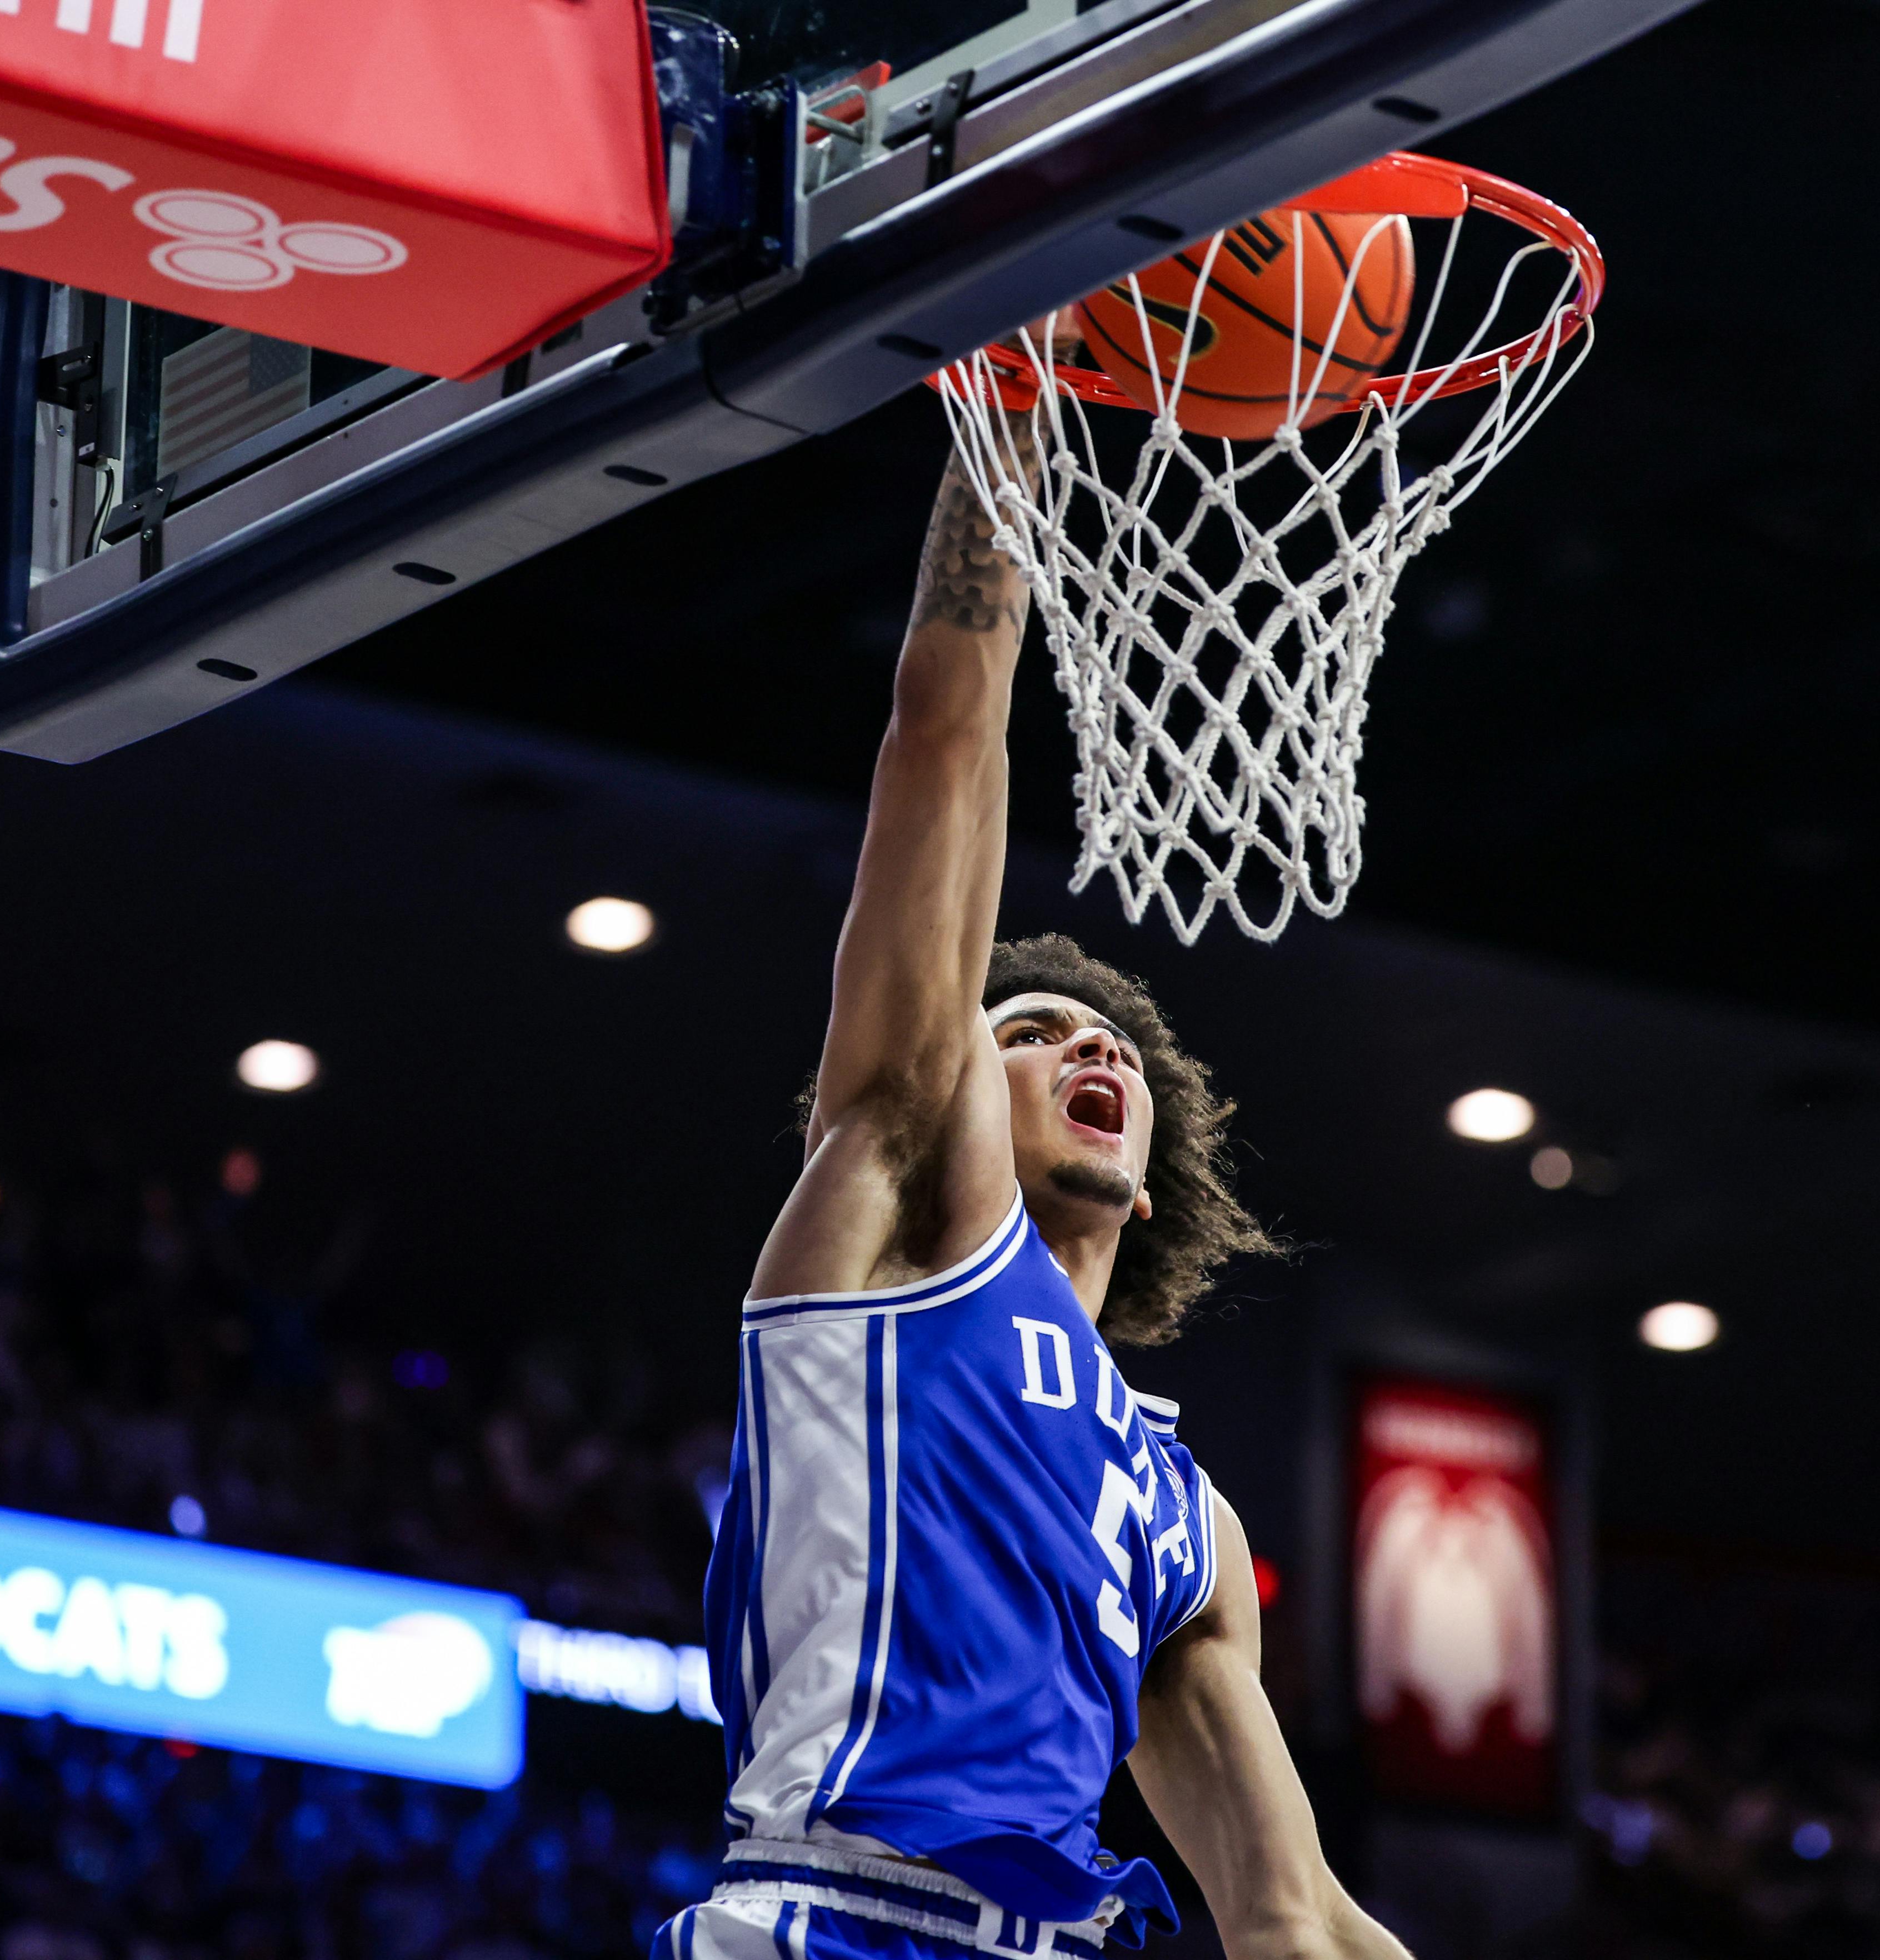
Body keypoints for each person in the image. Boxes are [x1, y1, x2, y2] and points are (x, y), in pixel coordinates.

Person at [655, 430, 1410, 1960]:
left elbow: (1289, 1915)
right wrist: (1015, 425)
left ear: (1147, 1193)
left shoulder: (1182, 1521)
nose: (1085, 1040)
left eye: (1114, 1043)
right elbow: (941, 740)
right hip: (825, 1919)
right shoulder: (898, 1215)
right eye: (1027, 1032)